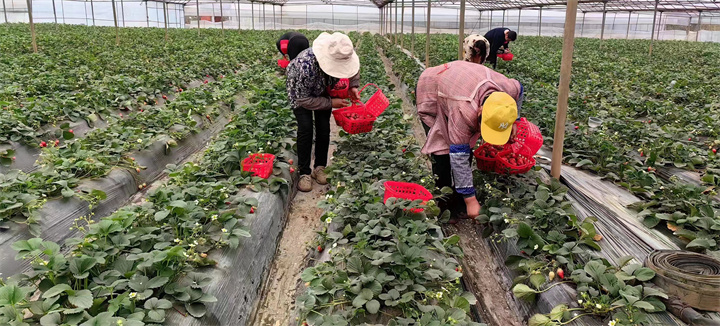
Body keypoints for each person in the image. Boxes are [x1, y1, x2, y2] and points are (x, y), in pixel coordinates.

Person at [416, 61, 523, 222]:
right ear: (479, 111)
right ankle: (444, 201)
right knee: (442, 152)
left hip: (462, 81)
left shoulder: (508, 89)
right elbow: (459, 156)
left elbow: (520, 90)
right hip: (433, 88)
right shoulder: (463, 109)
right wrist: (471, 200)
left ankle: (460, 200)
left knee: (465, 149)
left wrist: (515, 119)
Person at [286, 32, 361, 192]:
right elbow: (303, 100)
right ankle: (304, 172)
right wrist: (330, 103)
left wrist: (353, 86)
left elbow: (353, 70)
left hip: (323, 87)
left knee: (323, 127)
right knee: (305, 128)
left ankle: (320, 166)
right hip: (300, 93)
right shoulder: (304, 66)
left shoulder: (343, 53)